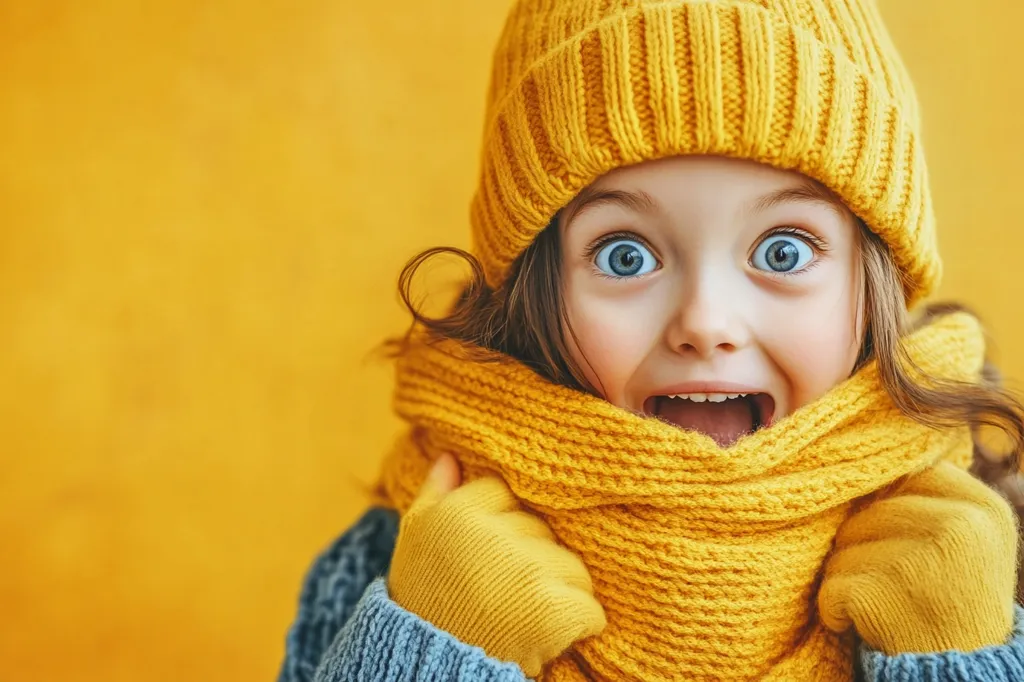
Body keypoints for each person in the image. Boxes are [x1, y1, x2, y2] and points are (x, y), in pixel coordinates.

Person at [278, 0, 1024, 679]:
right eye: (624, 255)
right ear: (538, 290)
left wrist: (960, 659)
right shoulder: (408, 565)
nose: (705, 321)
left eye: (784, 250)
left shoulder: (987, 559)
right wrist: (430, 652)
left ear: (876, 283)